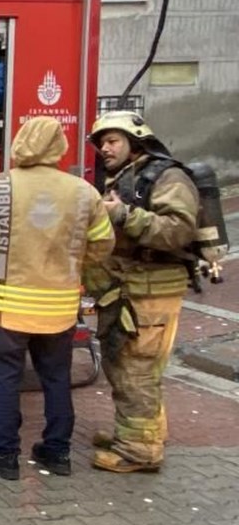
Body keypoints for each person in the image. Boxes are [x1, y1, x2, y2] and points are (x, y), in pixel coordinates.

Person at [0, 117, 115, 480]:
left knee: (6, 380)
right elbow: (104, 242)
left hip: (5, 308)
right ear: (58, 146)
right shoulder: (83, 191)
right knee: (56, 378)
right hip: (58, 308)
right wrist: (77, 272)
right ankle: (57, 453)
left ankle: (6, 454)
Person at [84, 111, 199, 473]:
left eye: (113, 140)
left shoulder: (167, 177)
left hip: (149, 293)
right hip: (131, 290)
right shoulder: (127, 178)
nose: (105, 148)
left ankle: (138, 450)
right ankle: (140, 432)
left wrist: (124, 216)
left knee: (136, 369)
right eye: (101, 143)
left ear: (136, 142)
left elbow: (177, 231)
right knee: (131, 366)